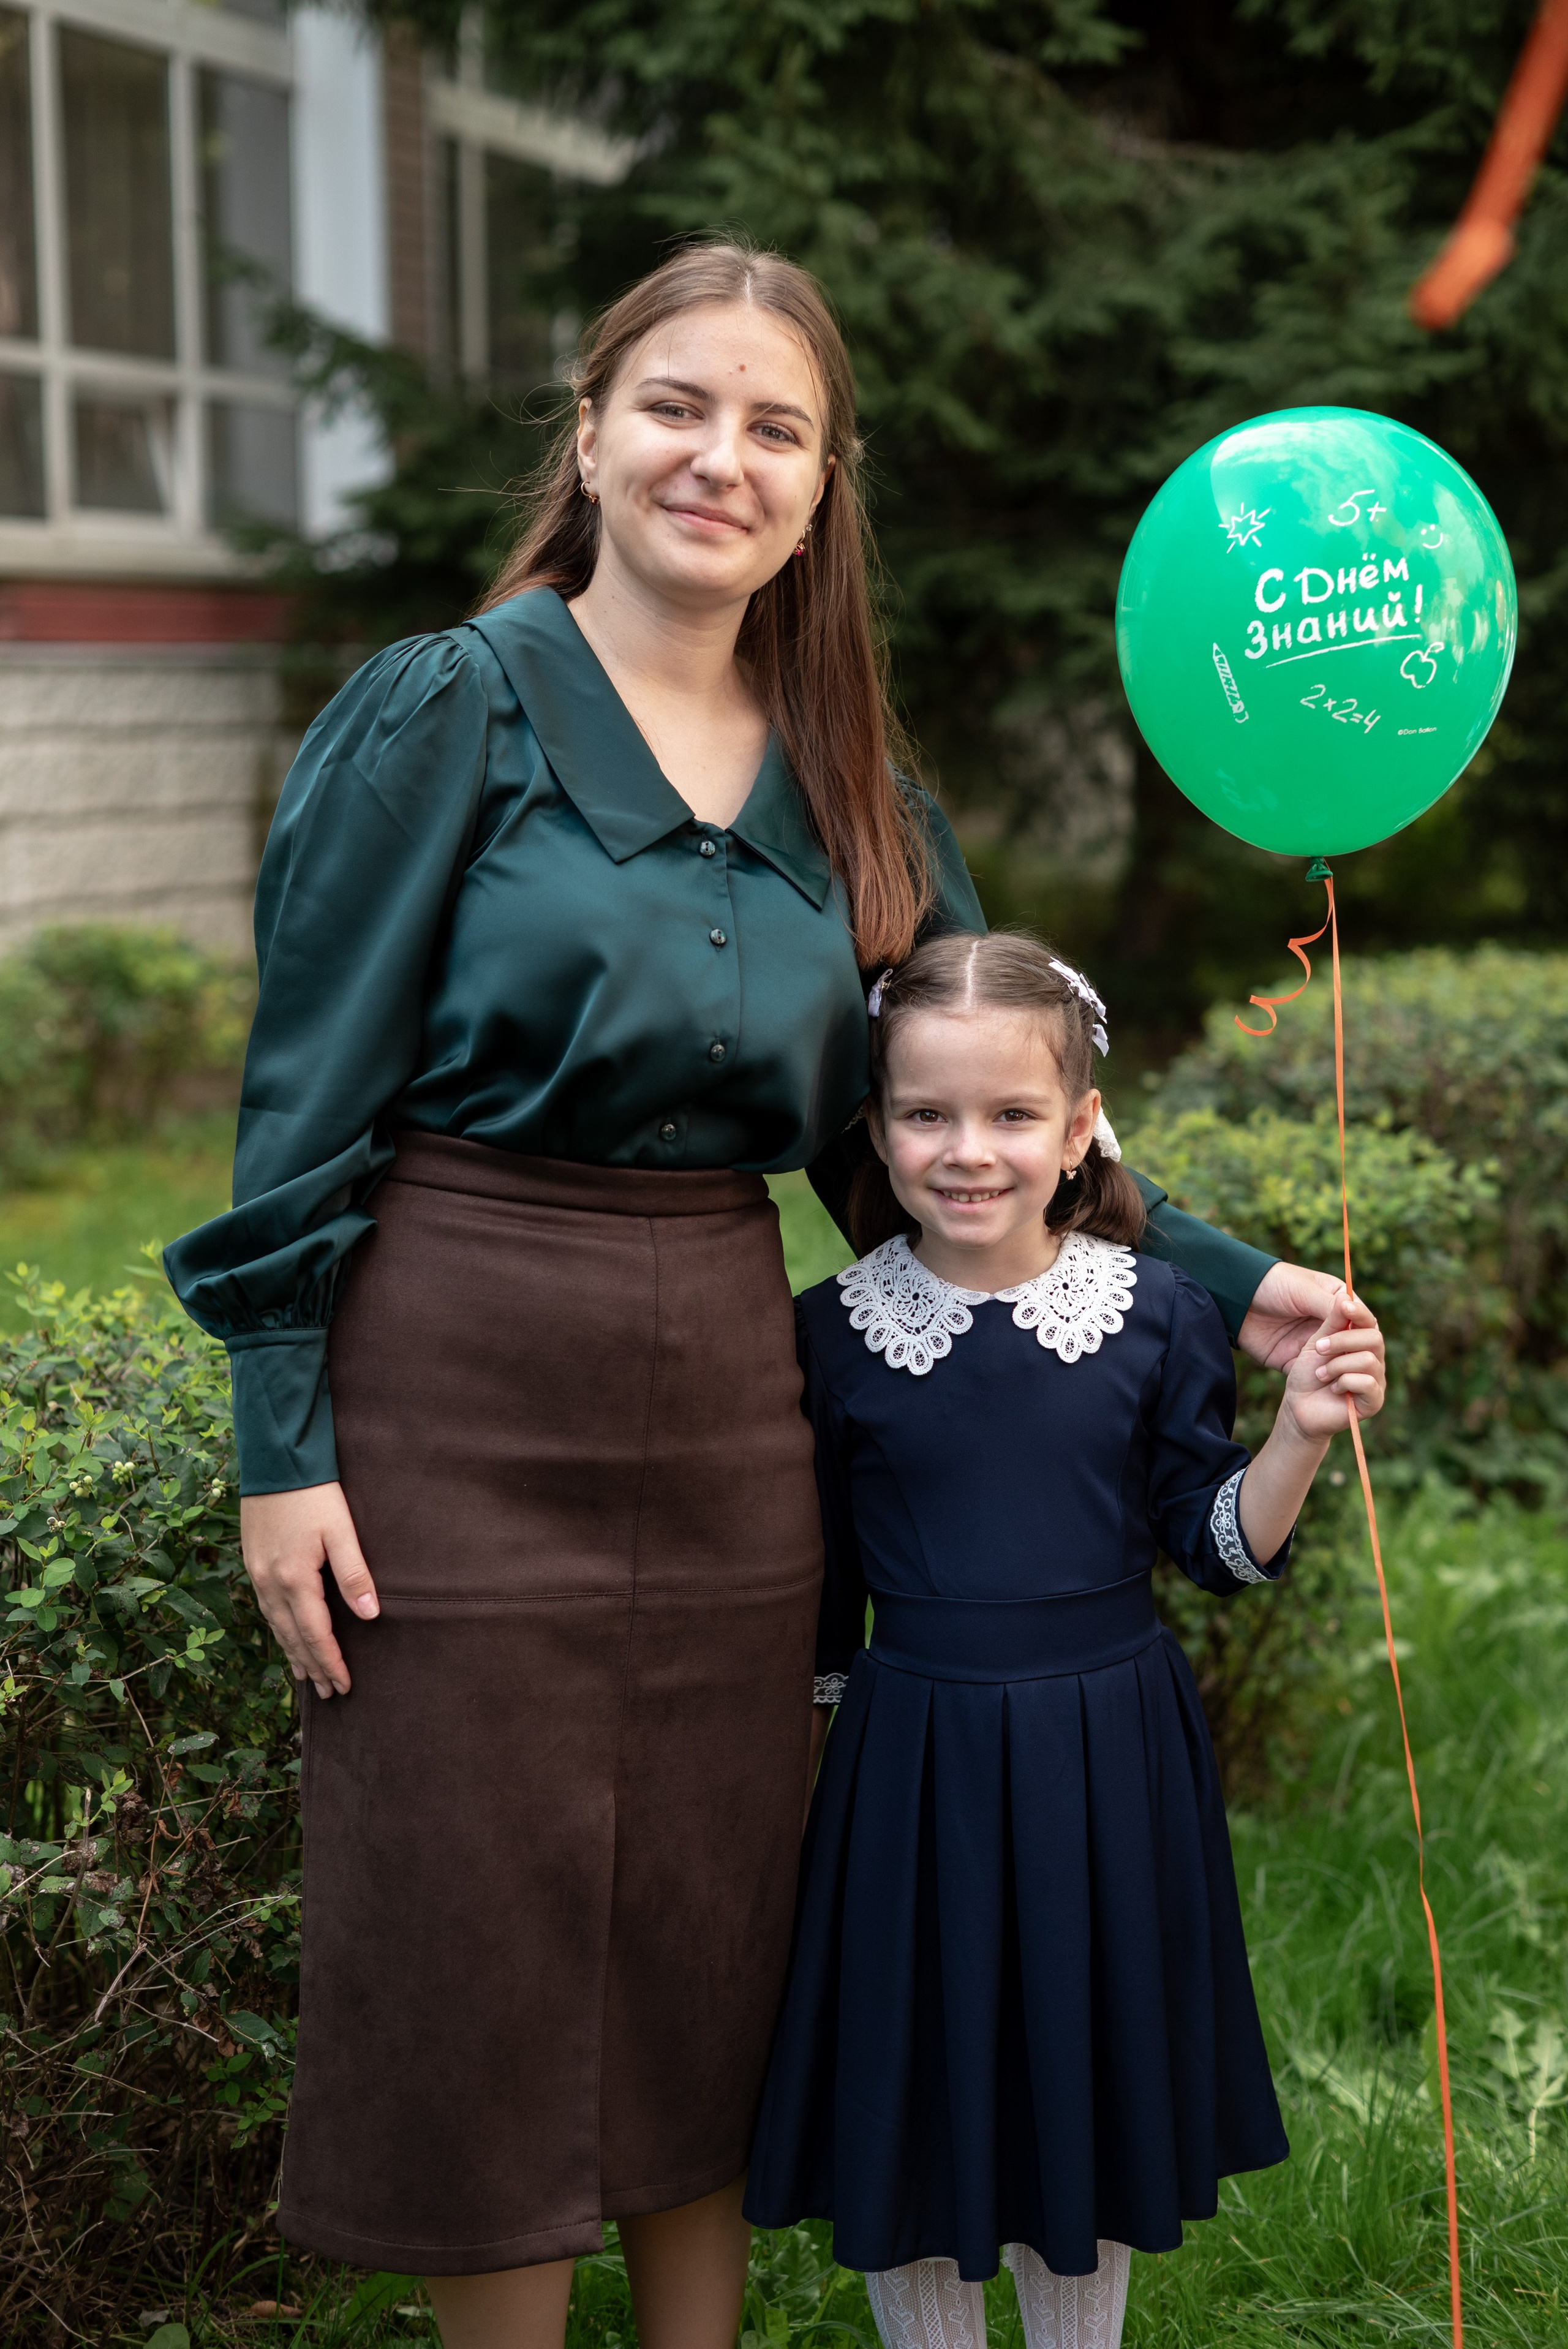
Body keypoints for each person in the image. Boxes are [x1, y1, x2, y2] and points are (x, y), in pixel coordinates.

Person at [163, 239, 1343, 2349]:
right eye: (680, 407)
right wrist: (285, 1442)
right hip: (455, 1361)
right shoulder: (450, 703)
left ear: (825, 483)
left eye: (776, 427)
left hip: (728, 1403)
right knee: (488, 1936)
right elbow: (304, 1096)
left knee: (717, 1924)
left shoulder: (859, 794)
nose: (723, 457)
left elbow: (957, 1143)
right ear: (594, 433)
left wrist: (1230, 1282)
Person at [744, 929, 1386, 2349]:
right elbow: (823, 1602)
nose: (966, 1150)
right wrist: (805, 1789)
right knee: (915, 2077)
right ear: (872, 1126)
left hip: (1107, 1757)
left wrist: (1292, 1437)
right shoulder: (828, 1336)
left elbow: (1210, 1547)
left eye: (1010, 1113)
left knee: (1072, 2078)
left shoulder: (1159, 1316)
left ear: (1083, 1126)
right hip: (908, 1766)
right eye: (924, 1113)